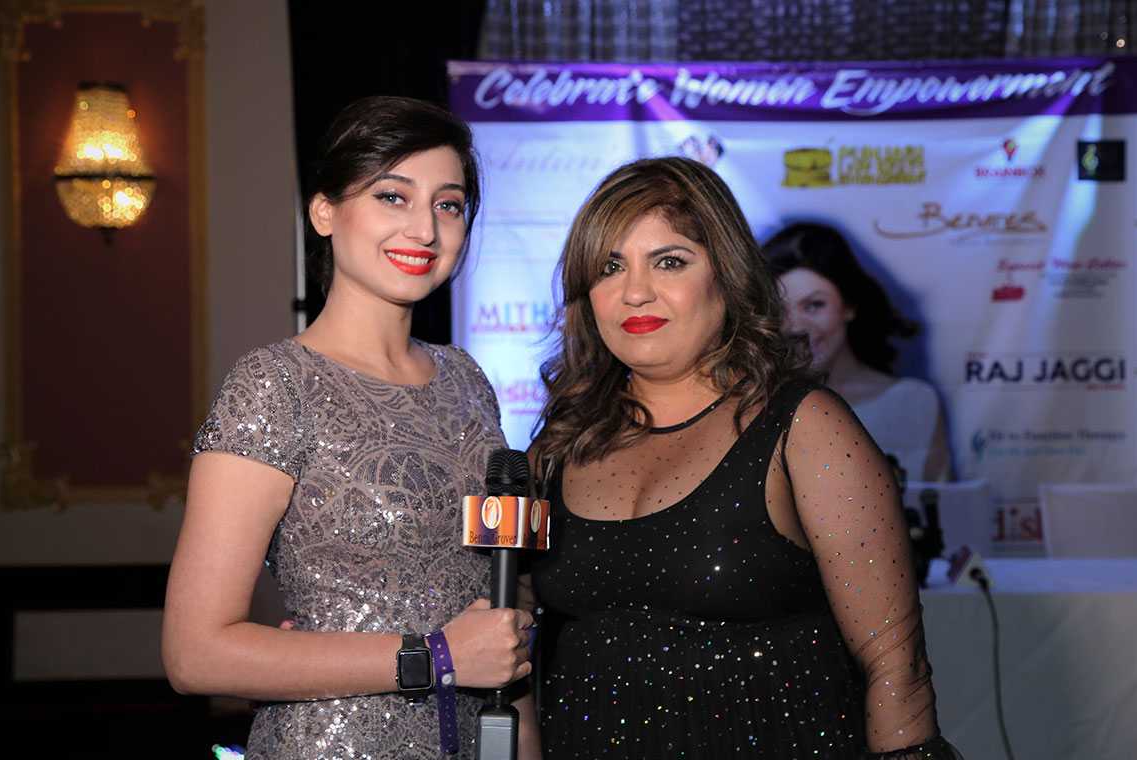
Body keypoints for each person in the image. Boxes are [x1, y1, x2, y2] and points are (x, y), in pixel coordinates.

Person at [526, 157, 960, 758]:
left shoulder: (804, 428)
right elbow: (511, 656)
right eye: (609, 267)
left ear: (726, 275)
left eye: (670, 261)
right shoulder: (556, 447)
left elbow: (896, 665)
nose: (635, 292)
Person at [162, 96, 538, 760]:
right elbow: (195, 654)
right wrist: (437, 656)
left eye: (449, 205)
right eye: (393, 196)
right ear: (324, 212)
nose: (425, 229)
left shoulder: (467, 380)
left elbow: (501, 618)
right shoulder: (276, 383)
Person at [764, 222, 952, 482]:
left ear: (849, 306)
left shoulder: (913, 402)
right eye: (779, 310)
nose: (795, 326)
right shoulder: (754, 406)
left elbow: (940, 502)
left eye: (814, 305)